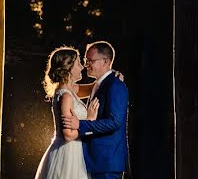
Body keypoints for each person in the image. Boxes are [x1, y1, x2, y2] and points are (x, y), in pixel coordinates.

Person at [61, 41, 129, 179]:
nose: (86, 65)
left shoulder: (115, 86)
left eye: (90, 60)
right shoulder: (99, 85)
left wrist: (81, 124)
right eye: (85, 61)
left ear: (105, 62)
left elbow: (114, 122)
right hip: (93, 160)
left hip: (106, 161)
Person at [33, 47, 99, 179]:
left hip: (76, 150)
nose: (82, 67)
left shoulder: (71, 89)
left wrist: (111, 76)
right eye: (78, 63)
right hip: (69, 152)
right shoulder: (66, 96)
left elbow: (94, 87)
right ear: (69, 68)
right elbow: (68, 135)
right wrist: (90, 120)